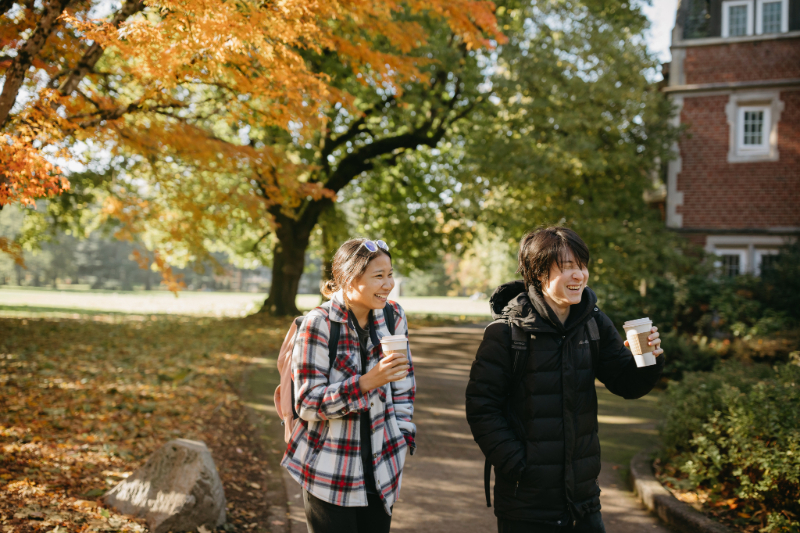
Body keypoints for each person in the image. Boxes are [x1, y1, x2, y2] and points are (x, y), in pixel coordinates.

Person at [465, 226, 665, 533]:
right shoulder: (506, 333)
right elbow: (481, 407)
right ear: (538, 273)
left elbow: (627, 384)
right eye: (566, 267)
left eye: (581, 266)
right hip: (526, 502)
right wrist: (519, 465)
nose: (579, 276)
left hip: (583, 499)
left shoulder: (594, 323)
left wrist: (648, 359)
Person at [281, 238, 416, 533]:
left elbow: (405, 386)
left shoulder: (393, 317)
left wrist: (403, 434)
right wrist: (367, 382)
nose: (388, 284)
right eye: (378, 276)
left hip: (383, 470)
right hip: (329, 472)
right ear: (348, 278)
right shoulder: (320, 324)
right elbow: (306, 403)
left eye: (390, 274)